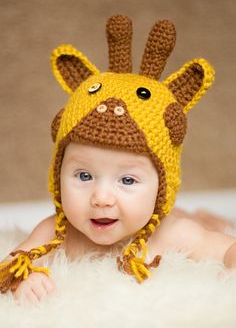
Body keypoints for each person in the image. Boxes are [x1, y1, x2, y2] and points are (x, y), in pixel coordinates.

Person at [0, 15, 235, 303]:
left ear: (162, 188)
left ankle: (205, 215)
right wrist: (25, 278)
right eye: (84, 176)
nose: (101, 198)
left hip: (187, 220)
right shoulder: (57, 232)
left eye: (127, 180)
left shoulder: (175, 233)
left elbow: (227, 249)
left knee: (210, 225)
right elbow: (13, 264)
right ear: (58, 173)